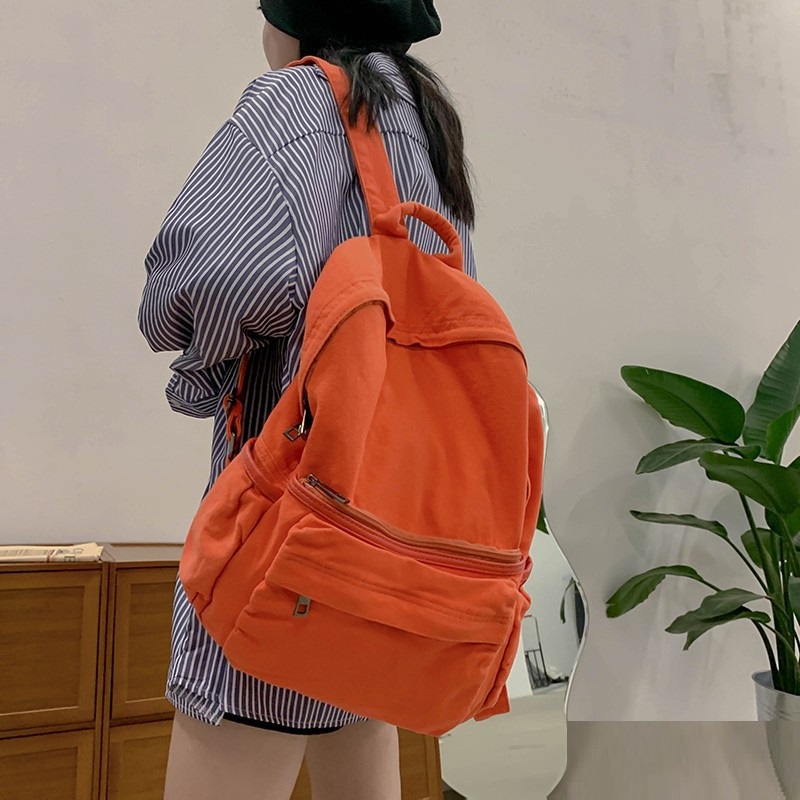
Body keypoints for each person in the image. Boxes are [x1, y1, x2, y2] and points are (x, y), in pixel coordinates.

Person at [139, 2, 477, 798]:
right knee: (359, 719)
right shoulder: (423, 118)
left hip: (288, 534)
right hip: (389, 542)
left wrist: (196, 363)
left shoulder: (296, 96)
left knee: (244, 697)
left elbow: (216, 279)